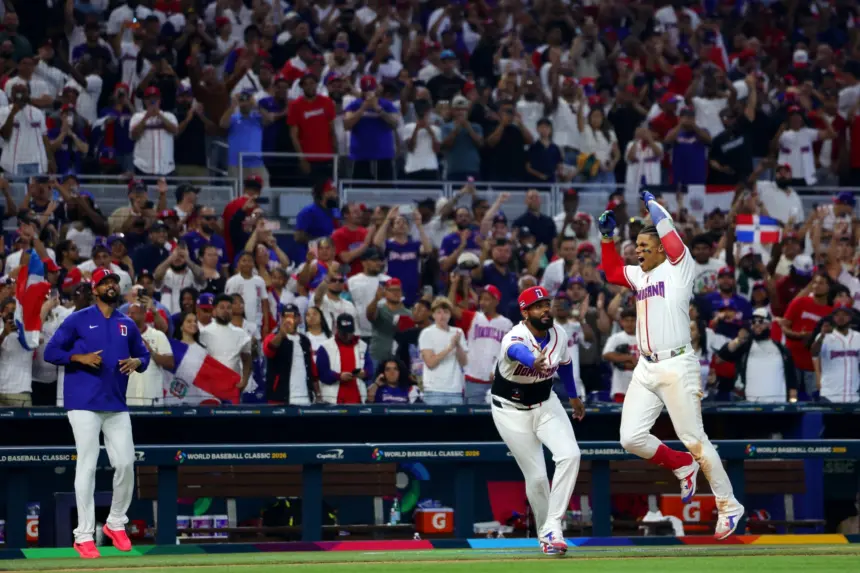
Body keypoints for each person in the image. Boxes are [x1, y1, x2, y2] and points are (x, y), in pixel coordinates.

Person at [597, 190, 745, 540]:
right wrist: (606, 239)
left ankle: (728, 503)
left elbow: (673, 237)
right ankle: (680, 464)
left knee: (694, 437)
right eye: (636, 246)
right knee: (630, 438)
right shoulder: (640, 275)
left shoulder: (679, 268)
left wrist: (653, 206)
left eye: (646, 246)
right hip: (646, 368)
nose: (639, 250)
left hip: (678, 365)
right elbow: (613, 270)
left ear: (662, 247)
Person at [43, 267, 150, 559]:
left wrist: (137, 362)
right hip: (82, 403)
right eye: (105, 282)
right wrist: (78, 357)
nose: (111, 285)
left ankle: (116, 523)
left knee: (127, 463)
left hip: (115, 403)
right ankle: (84, 535)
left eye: (114, 281)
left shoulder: (126, 323)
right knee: (87, 465)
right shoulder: (78, 319)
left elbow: (144, 356)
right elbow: (50, 352)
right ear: (95, 288)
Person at [491, 285, 584, 555]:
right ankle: (548, 537)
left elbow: (565, 364)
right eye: (538, 305)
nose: (545, 309)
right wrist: (533, 361)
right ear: (525, 311)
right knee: (538, 478)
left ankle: (553, 526)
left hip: (546, 404)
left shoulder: (559, 333)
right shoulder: (514, 336)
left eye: (547, 304)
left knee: (571, 455)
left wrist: (574, 397)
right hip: (510, 410)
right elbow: (515, 352)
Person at [261, 304, 317, 404]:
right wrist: (281, 334)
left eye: (293, 316)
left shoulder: (305, 340)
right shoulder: (272, 337)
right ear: (281, 318)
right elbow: (268, 351)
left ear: (299, 319)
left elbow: (312, 369)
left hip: (305, 397)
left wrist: (317, 393)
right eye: (286, 316)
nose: (289, 320)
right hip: (281, 398)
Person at [419, 296, 468, 405]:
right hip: (434, 391)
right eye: (439, 312)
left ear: (450, 314)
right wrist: (450, 347)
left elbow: (464, 362)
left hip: (455, 391)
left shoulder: (458, 332)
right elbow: (430, 363)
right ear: (433, 314)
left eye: (445, 312)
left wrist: (458, 345)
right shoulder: (427, 333)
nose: (442, 315)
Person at [812, 302, 860, 403]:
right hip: (829, 395)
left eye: (844, 314)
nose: (841, 317)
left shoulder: (858, 337)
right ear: (833, 318)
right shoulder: (824, 337)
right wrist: (822, 336)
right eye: (837, 315)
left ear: (850, 317)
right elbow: (814, 353)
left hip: (854, 396)